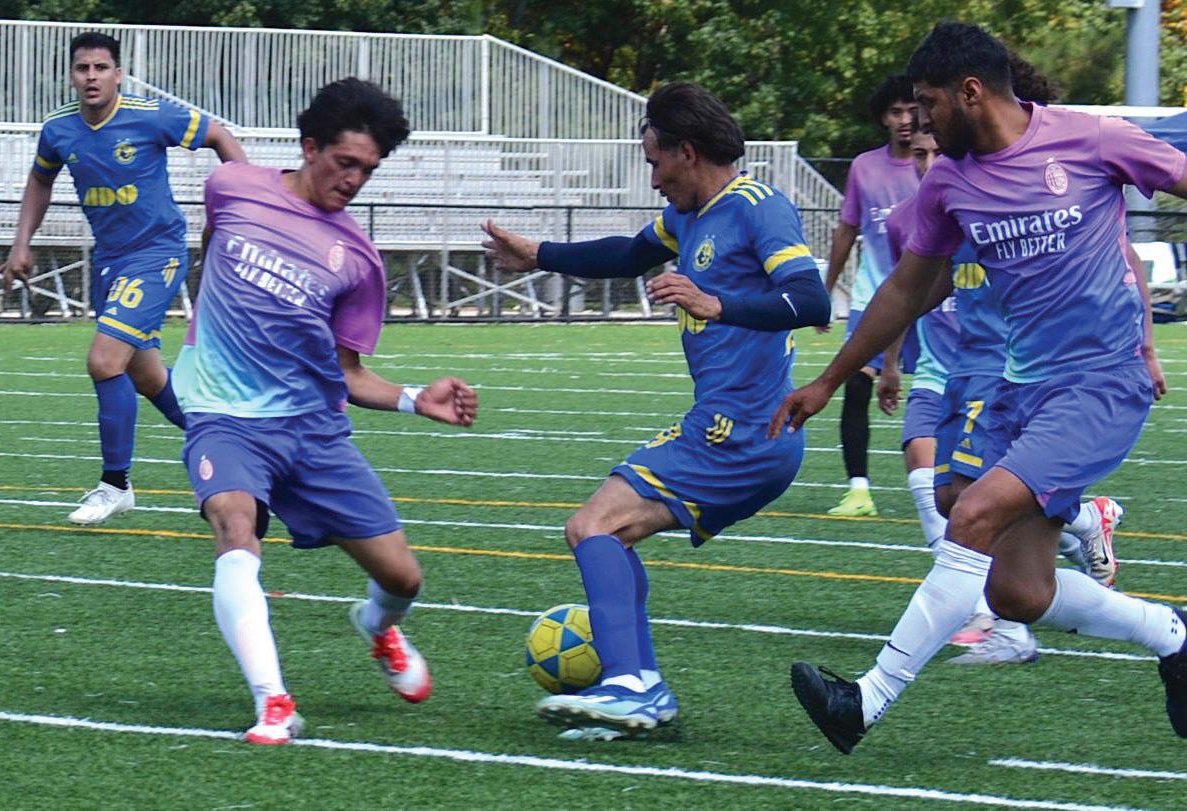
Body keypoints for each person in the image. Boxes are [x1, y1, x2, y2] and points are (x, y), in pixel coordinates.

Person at [768, 22, 1187, 753]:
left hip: (1099, 385)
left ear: (969, 92)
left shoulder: (1090, 139)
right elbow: (908, 289)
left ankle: (864, 700)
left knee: (972, 516)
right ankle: (1171, 635)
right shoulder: (948, 183)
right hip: (1016, 390)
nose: (920, 123)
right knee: (1016, 591)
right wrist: (830, 379)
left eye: (928, 104)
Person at [482, 81, 830, 738]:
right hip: (726, 428)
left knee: (592, 525)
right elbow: (628, 252)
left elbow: (811, 301)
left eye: (655, 162)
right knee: (605, 531)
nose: (652, 179)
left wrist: (716, 303)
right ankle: (640, 686)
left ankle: (633, 683)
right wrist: (536, 254)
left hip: (744, 433)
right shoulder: (688, 217)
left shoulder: (758, 208)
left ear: (687, 151)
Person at [172, 78, 479, 745]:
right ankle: (273, 701)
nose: (355, 180)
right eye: (346, 163)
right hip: (225, 418)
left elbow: (347, 373)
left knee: (403, 577)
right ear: (309, 147)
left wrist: (413, 398)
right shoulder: (232, 187)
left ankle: (376, 626)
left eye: (368, 170)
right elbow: (213, 249)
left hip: (311, 432)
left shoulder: (359, 260)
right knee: (234, 526)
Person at [880, 117, 1128, 667]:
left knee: (972, 500)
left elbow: (1117, 258)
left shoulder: (1006, 195)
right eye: (918, 155)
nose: (929, 163)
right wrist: (890, 362)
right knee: (946, 495)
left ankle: (992, 622)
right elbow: (904, 293)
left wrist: (1144, 349)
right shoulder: (914, 215)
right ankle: (1080, 522)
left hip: (999, 367)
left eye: (936, 151)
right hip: (942, 368)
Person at [0, 31, 246, 525]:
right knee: (146, 375)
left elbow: (219, 136)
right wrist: (21, 242)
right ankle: (233, 445)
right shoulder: (58, 129)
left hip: (157, 254)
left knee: (104, 360)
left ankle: (116, 484)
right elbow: (40, 179)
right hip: (109, 261)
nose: (91, 76)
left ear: (118, 74)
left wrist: (252, 203)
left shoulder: (150, 116)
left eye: (101, 67)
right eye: (82, 68)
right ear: (72, 75)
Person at [820, 75, 920, 518]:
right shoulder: (864, 167)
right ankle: (858, 490)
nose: (906, 119)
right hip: (872, 299)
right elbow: (847, 231)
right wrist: (825, 291)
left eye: (913, 110)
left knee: (946, 388)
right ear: (883, 117)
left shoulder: (939, 163)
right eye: (896, 112)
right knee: (856, 384)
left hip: (931, 300)